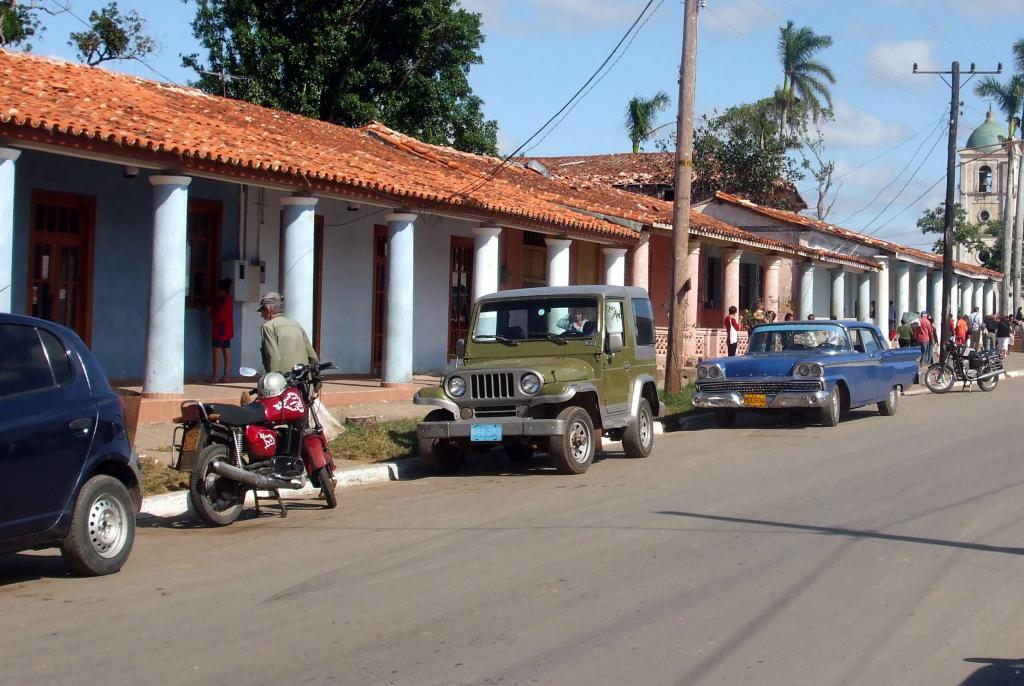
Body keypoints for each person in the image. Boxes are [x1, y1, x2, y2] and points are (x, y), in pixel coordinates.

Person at [258, 292, 319, 374]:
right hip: (303, 380)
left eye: (262, 311)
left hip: (284, 381)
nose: (262, 315)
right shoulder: (296, 325)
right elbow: (312, 356)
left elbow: (272, 357)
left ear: (268, 309)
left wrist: (273, 379)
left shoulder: (268, 327)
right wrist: (315, 378)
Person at [208, 278, 234, 383]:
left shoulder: (223, 300)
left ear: (222, 290)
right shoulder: (229, 299)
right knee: (227, 353)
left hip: (220, 329)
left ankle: (215, 376)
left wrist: (211, 311)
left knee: (217, 353)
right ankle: (226, 376)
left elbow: (219, 316)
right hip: (227, 329)